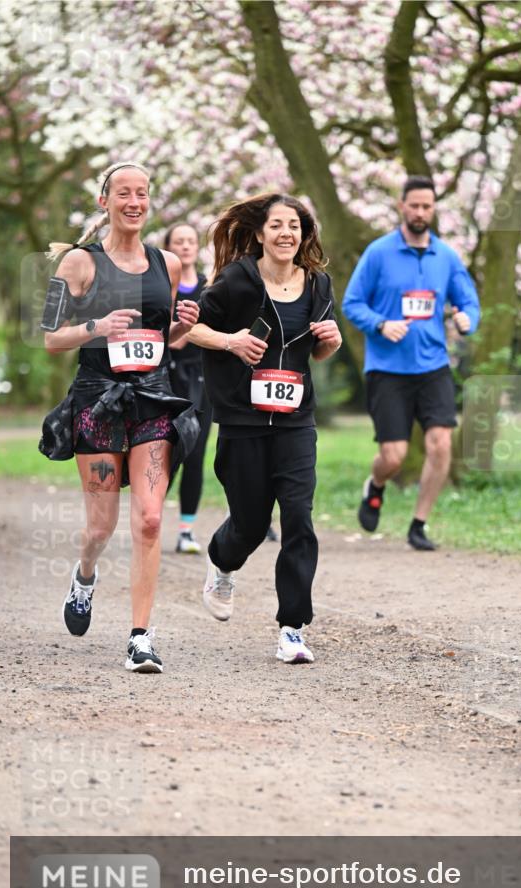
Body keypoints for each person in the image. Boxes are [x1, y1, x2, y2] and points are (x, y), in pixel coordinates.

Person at [39, 162, 200, 674]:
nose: (134, 202)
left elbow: (162, 341)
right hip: (97, 401)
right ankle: (85, 575)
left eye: (143, 194)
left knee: (151, 520)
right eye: (123, 193)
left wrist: (181, 328)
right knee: (101, 524)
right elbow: (47, 336)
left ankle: (140, 638)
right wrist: (96, 324)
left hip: (153, 398)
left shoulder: (167, 264)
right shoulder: (76, 264)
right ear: (104, 201)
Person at [188, 192, 342, 664]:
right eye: (276, 225)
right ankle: (222, 561)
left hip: (296, 421)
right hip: (243, 420)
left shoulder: (318, 285)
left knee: (298, 517)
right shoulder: (237, 280)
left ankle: (293, 627)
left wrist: (331, 341)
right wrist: (231, 341)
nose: (285, 233)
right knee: (251, 524)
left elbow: (316, 349)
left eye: (293, 225)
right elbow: (191, 328)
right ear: (259, 233)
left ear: (304, 233)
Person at [342, 175, 480, 551]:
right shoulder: (378, 253)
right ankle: (376, 485)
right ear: (402, 207)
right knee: (394, 456)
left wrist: (468, 319)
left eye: (427, 206)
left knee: (440, 446)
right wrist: (381, 324)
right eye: (414, 205)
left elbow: (469, 302)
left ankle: (419, 523)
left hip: (433, 365)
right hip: (387, 369)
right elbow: (352, 303)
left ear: (434, 209)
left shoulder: (446, 257)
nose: (421, 212)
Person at [163, 223, 211, 554]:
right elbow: (165, 337)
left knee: (195, 455)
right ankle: (146, 521)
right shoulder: (160, 285)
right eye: (178, 241)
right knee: (165, 456)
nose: (185, 246)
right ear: (168, 247)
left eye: (191, 241)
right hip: (167, 380)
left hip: (203, 381)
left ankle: (186, 531)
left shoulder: (211, 287)